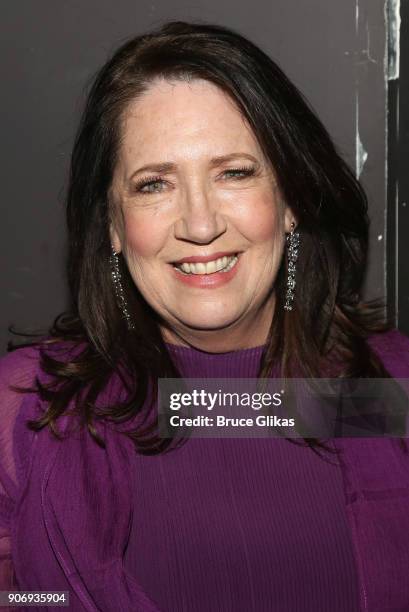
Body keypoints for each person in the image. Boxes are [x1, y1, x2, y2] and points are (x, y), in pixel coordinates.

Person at [1, 20, 409, 612]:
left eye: (234, 173)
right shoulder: (31, 412)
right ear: (113, 226)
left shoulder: (384, 393)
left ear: (291, 199)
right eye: (153, 184)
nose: (199, 224)